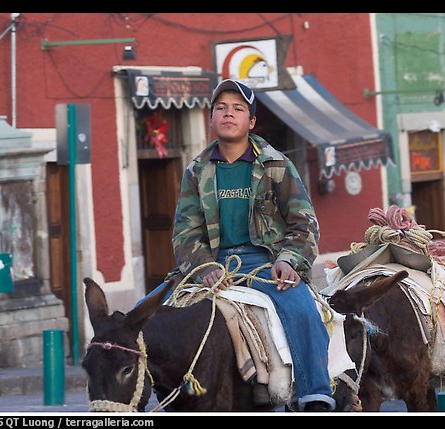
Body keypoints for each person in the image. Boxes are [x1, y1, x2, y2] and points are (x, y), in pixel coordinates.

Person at [141, 79, 335, 412]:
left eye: (238, 109)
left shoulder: (276, 165)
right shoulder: (197, 171)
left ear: (251, 122)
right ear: (211, 119)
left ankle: (314, 394)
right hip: (212, 265)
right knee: (141, 315)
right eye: (221, 108)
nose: (228, 114)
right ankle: (139, 401)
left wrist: (289, 262)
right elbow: (185, 233)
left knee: (301, 308)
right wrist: (205, 267)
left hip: (264, 263)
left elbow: (304, 224)